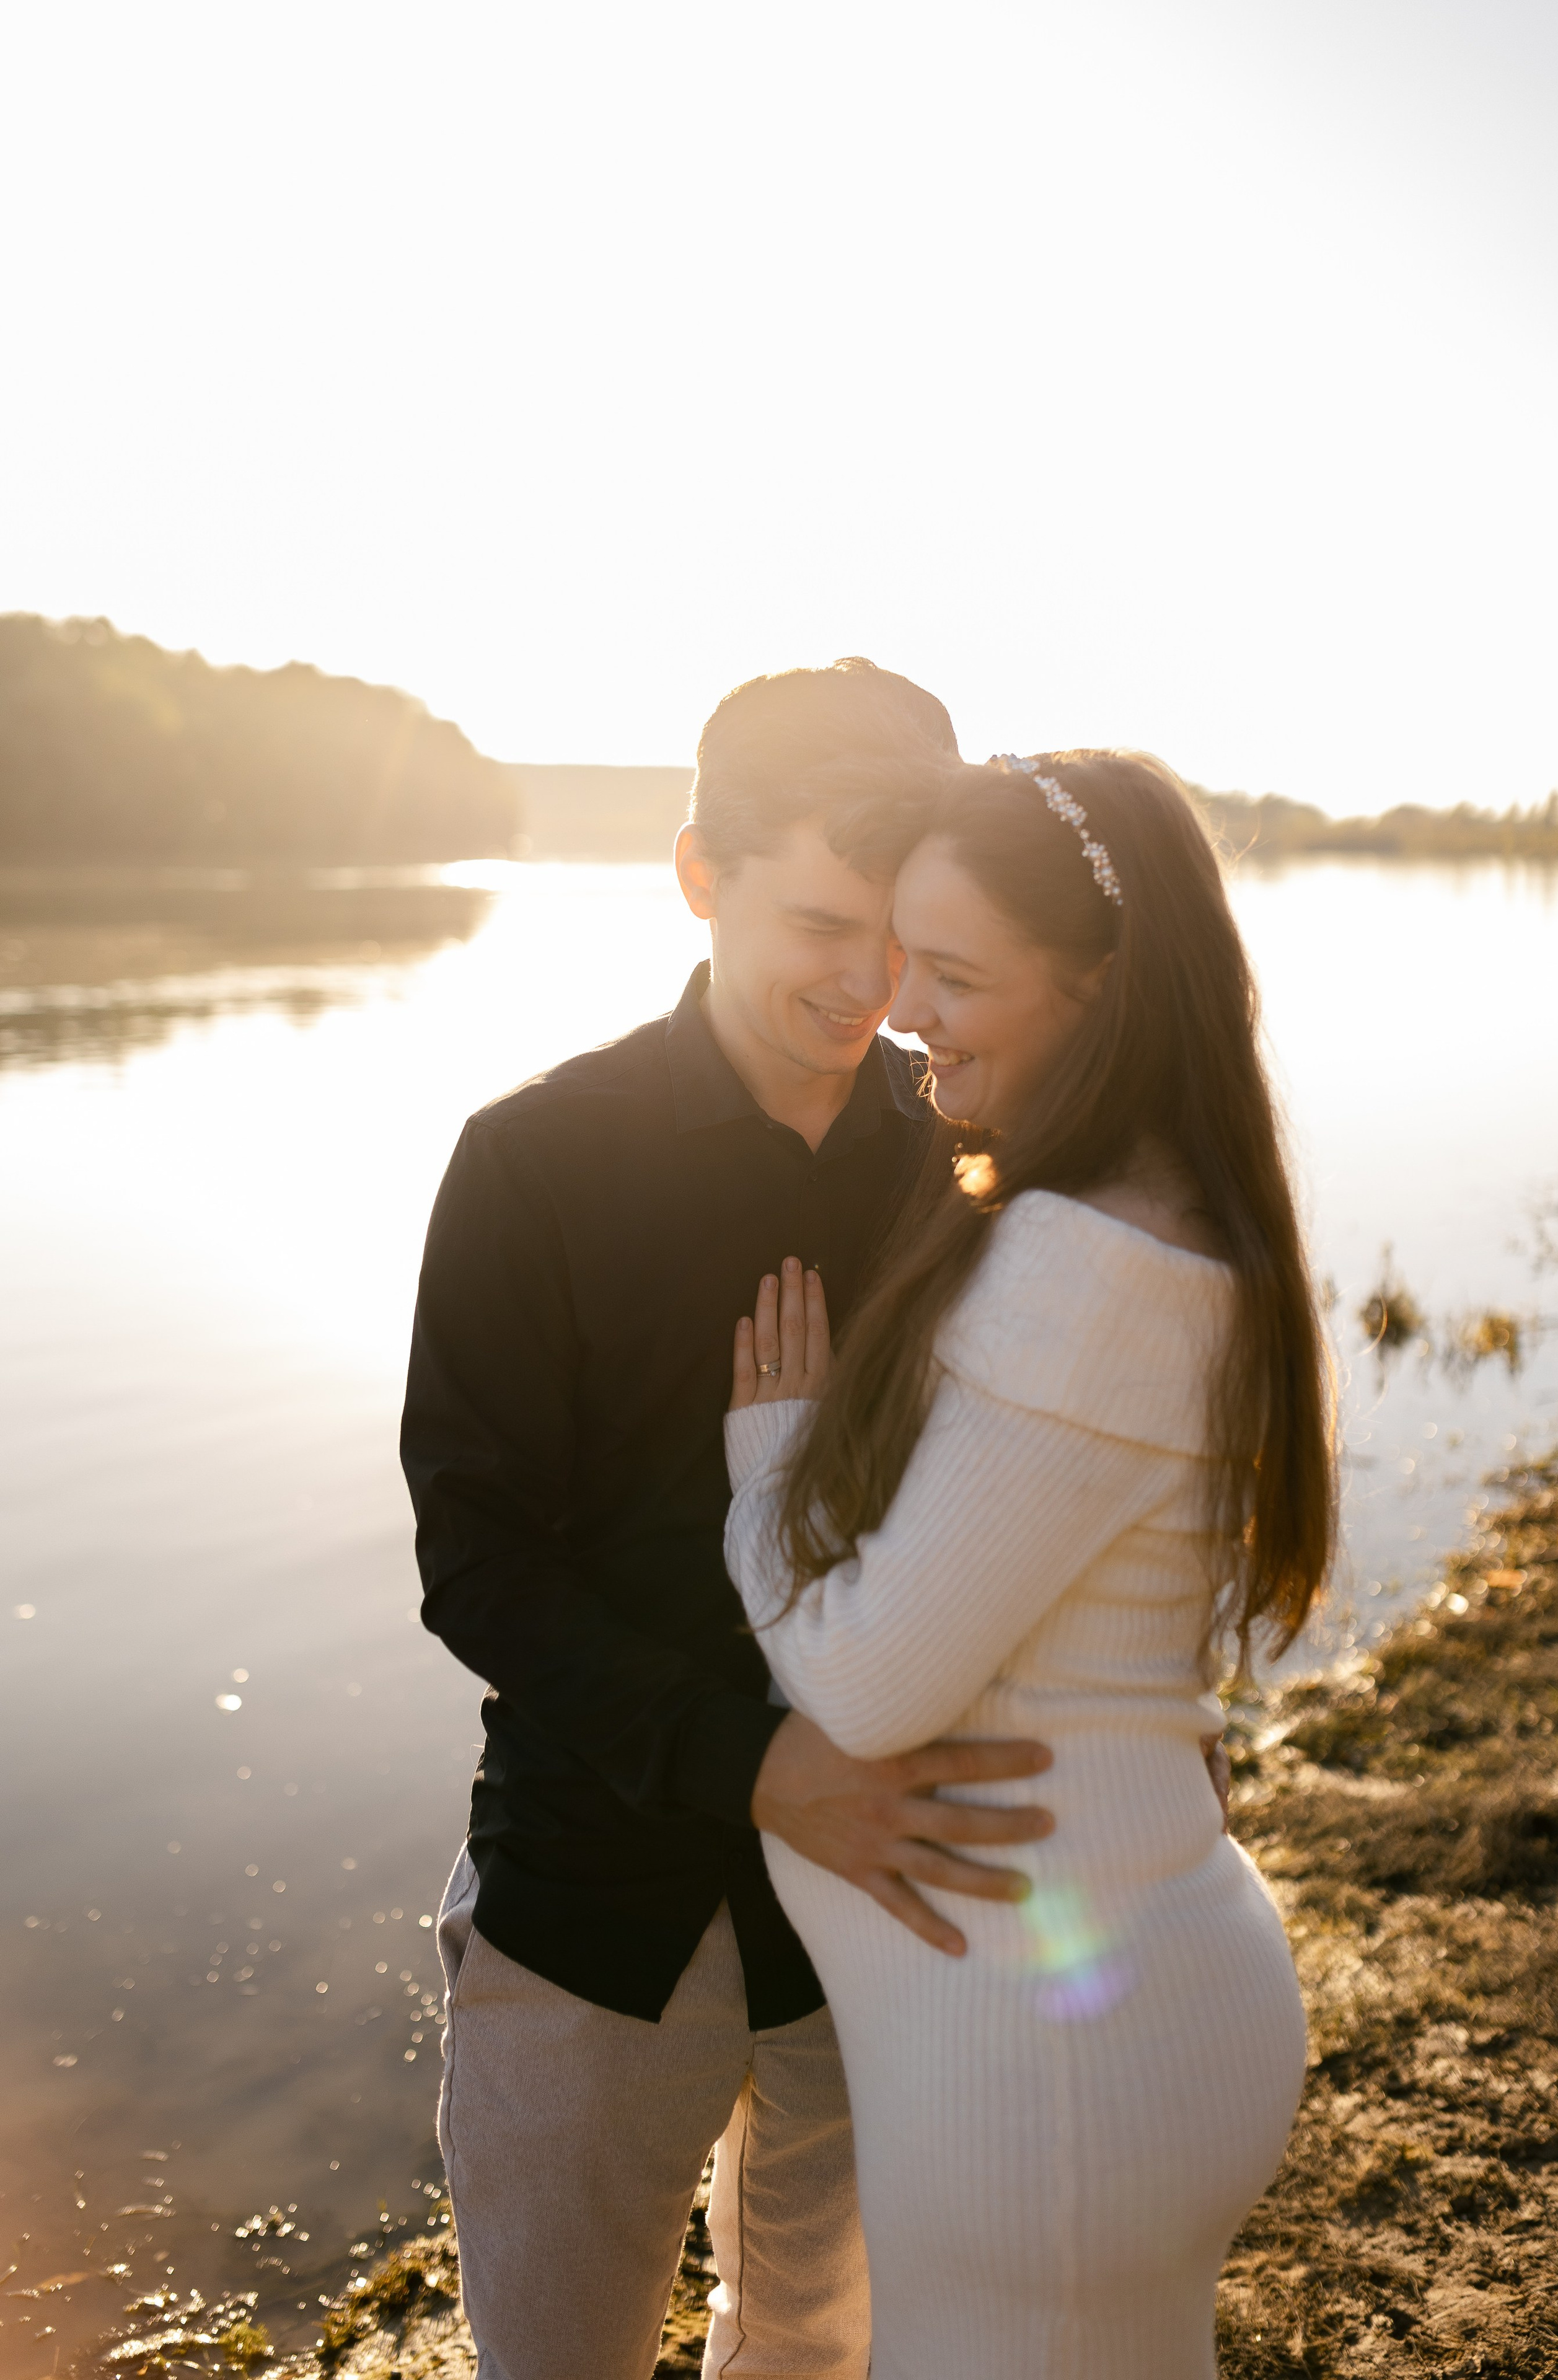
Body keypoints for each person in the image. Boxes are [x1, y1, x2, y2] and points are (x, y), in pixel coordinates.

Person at [398, 661, 1065, 2380]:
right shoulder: (533, 1162)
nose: (868, 988)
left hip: (879, 1910)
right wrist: (754, 1766)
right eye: (821, 926)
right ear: (700, 873)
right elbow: (476, 1561)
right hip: (593, 1910)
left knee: (819, 2356)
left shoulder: (971, 1168)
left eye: (901, 943)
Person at [723, 749, 1335, 2380]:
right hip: (1097, 2025)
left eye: (956, 973)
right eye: (900, 955)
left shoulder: (1086, 1270)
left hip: (1046, 2081)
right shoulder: (1165, 1215)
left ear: (1100, 986)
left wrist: (766, 1458)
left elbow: (864, 1685)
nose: (903, 1009)